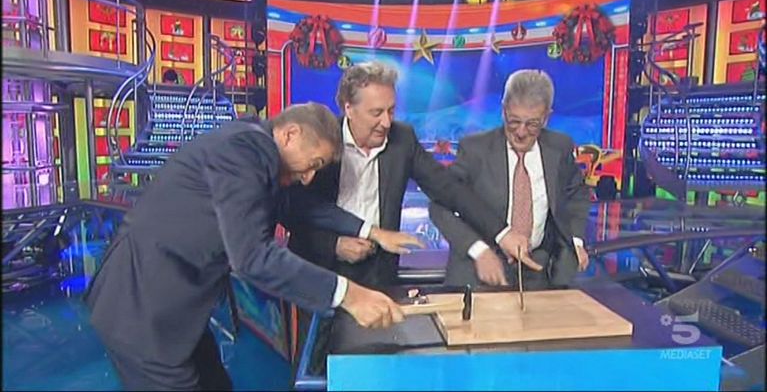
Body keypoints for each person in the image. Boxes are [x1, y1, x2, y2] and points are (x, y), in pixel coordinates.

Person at [83, 103, 420, 391]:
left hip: (175, 308)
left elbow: (300, 206)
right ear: (290, 135)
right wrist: (349, 295)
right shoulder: (244, 151)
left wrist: (372, 231)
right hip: (140, 309)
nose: (309, 178)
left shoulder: (257, 155)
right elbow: (253, 257)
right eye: (314, 163)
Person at [288, 61, 536, 290]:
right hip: (322, 272)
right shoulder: (322, 142)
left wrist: (502, 233)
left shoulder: (402, 139)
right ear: (349, 108)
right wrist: (334, 246)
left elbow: (449, 189)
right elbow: (296, 211)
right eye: (376, 113)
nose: (386, 122)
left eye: (391, 111)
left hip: (378, 276)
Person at [429, 69, 591, 290]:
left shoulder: (559, 147)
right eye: (514, 121)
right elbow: (440, 204)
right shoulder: (475, 150)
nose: (521, 132)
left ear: (546, 117)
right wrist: (478, 250)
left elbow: (577, 194)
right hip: (480, 273)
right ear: (504, 110)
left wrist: (576, 241)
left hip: (538, 273)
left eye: (532, 124)